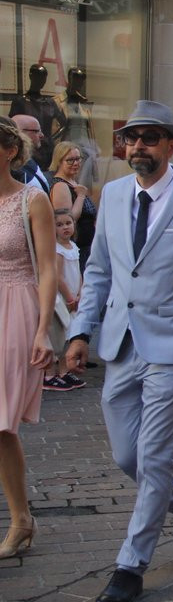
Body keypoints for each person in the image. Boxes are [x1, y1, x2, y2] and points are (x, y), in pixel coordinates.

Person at [65, 100, 173, 602]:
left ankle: (129, 567)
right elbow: (98, 272)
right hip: (119, 342)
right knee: (126, 456)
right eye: (132, 137)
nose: (138, 145)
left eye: (150, 137)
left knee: (154, 456)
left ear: (170, 145)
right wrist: (79, 332)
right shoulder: (113, 194)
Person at [0, 115, 57, 560]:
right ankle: (21, 519)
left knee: (1, 422)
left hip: (16, 307)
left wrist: (43, 329)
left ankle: (20, 520)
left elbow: (48, 268)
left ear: (10, 151)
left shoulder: (31, 200)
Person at [44, 207, 86, 391]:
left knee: (70, 334)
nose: (65, 228)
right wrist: (70, 297)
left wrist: (81, 292)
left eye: (68, 223)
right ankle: (49, 374)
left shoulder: (73, 246)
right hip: (62, 299)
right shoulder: (57, 249)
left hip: (75, 296)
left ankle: (63, 370)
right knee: (58, 336)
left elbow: (79, 272)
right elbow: (59, 276)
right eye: (59, 225)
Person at [49, 141, 97, 271]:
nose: (76, 163)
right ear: (59, 161)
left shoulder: (73, 182)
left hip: (84, 248)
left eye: (78, 159)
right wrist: (81, 196)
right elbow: (67, 220)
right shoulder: (61, 186)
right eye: (70, 160)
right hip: (74, 250)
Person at [10, 114, 50, 193]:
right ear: (20, 132)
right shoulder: (13, 169)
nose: (42, 135)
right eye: (37, 131)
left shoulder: (29, 161)